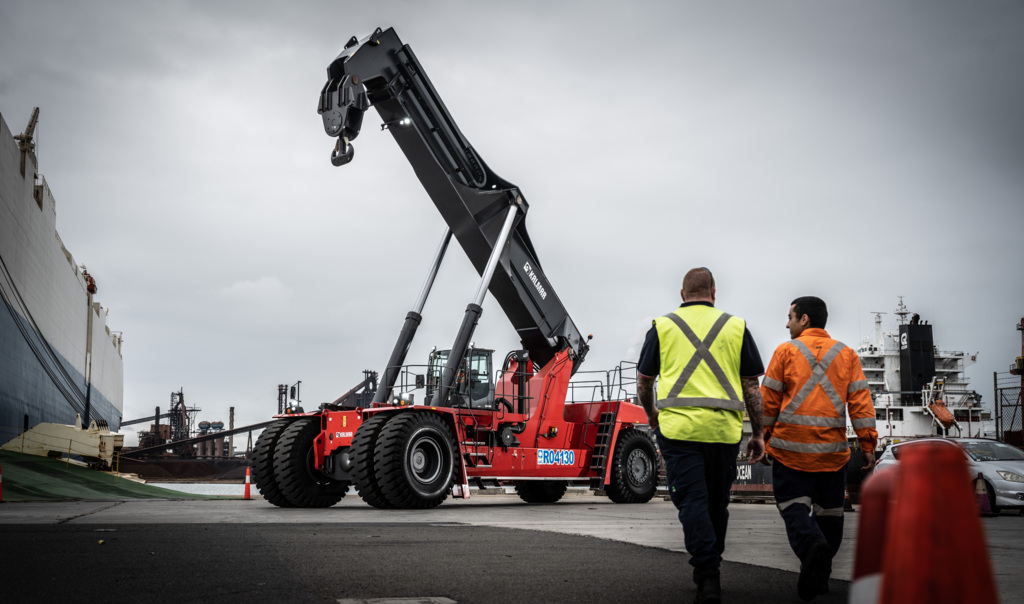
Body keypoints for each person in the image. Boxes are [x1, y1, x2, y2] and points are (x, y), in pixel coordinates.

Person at [636, 267, 765, 604]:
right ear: (714, 291)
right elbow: (753, 386)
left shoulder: (662, 327)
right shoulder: (736, 327)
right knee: (716, 502)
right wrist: (759, 434)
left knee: (691, 501)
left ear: (682, 295)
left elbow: (644, 381)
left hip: (678, 432)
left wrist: (651, 415)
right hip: (724, 432)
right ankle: (710, 564)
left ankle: (708, 573)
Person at [760, 296, 877, 601]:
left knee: (794, 509)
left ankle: (814, 549)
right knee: (831, 513)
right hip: (832, 454)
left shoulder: (785, 351)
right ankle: (819, 574)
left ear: (805, 320)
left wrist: (762, 436)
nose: (787, 323)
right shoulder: (847, 354)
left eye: (790, 317)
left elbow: (769, 402)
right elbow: (861, 403)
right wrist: (867, 444)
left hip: (791, 452)